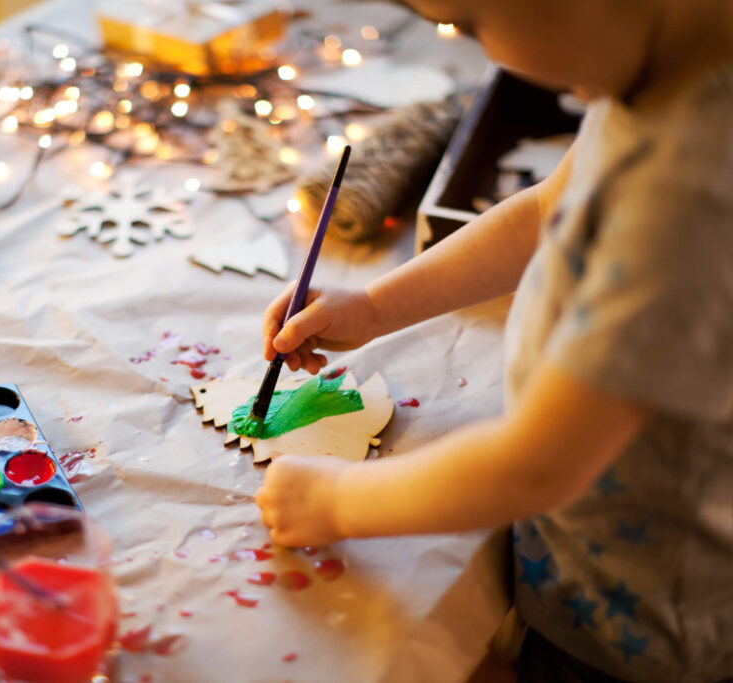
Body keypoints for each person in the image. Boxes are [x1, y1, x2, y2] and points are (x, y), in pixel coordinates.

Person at [253, 1, 733, 680]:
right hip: (584, 550)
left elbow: (538, 466)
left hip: (639, 627)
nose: (481, 53)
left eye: (470, 23)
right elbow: (542, 213)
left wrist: (334, 503)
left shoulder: (684, 193)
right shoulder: (651, 79)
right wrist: (375, 306)